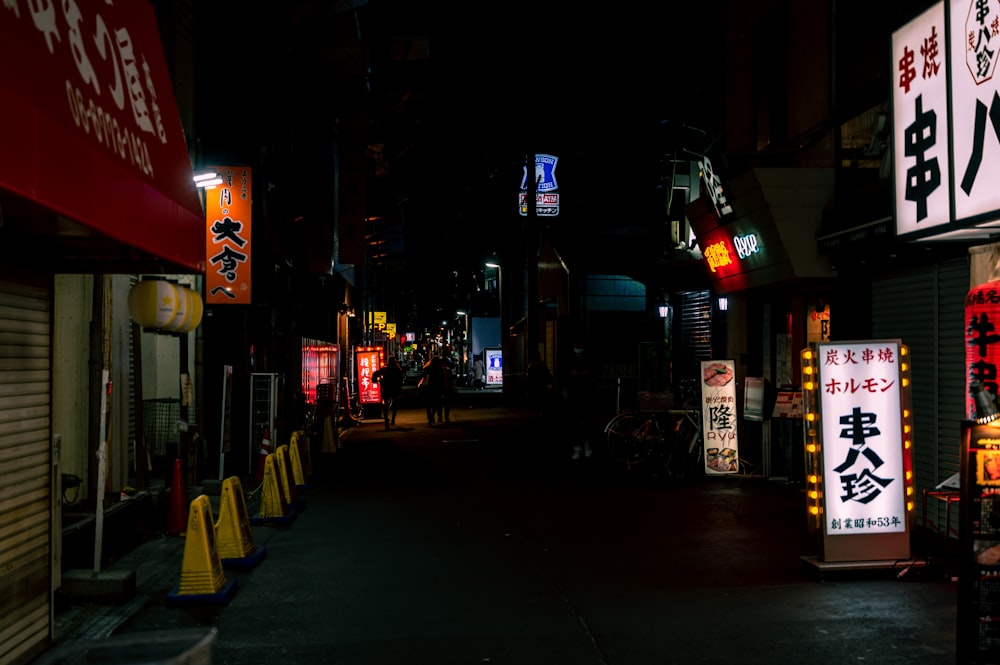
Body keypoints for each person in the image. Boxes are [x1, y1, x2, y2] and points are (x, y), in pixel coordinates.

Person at [562, 340, 598, 460]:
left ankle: (584, 445)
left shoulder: (588, 357)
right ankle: (579, 446)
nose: (578, 347)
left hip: (586, 393)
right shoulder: (569, 358)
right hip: (574, 393)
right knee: (575, 420)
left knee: (585, 419)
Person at [372, 356, 404, 429]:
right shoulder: (397, 369)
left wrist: (377, 380)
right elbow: (400, 379)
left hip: (386, 388)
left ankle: (386, 419)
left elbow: (375, 374)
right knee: (395, 404)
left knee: (386, 405)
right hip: (394, 389)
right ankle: (393, 419)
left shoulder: (385, 369)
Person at [420, 356, 448, 426]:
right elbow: (442, 380)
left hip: (429, 388)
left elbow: (424, 377)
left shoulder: (428, 369)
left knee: (428, 405)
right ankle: (433, 415)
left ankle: (430, 418)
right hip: (437, 388)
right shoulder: (440, 370)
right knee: (437, 403)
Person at [526, 351, 553, 415]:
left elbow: (529, 377)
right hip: (542, 386)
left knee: (537, 400)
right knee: (542, 400)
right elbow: (548, 375)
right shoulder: (542, 365)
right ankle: (541, 412)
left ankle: (537, 412)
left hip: (534, 386)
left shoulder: (531, 366)